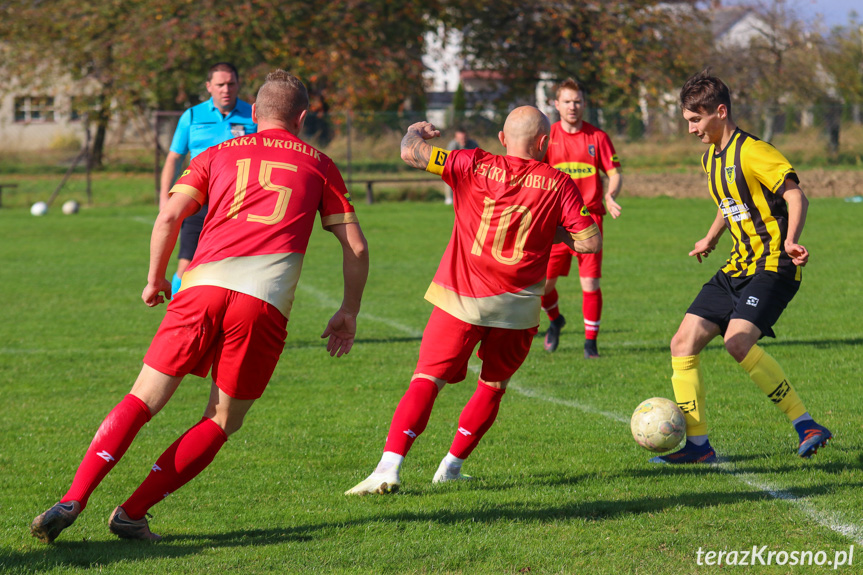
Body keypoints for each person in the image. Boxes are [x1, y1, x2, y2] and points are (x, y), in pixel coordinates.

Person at [30, 70, 369, 542]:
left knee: (143, 398)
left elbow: (169, 215)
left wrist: (154, 280)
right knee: (222, 417)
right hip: (262, 303)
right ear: (303, 117)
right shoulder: (320, 164)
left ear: (253, 113)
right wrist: (348, 311)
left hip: (199, 287)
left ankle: (74, 496)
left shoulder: (216, 153)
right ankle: (131, 512)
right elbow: (354, 246)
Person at [346, 107, 601, 495]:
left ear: (502, 139)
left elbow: (410, 150)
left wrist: (415, 130)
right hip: (518, 308)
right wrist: (544, 235)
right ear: (545, 143)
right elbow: (590, 240)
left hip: (461, 297)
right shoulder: (559, 183)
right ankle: (451, 466)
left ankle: (388, 467)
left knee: (427, 380)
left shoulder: (471, 162)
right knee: (492, 386)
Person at [651, 69, 831, 464]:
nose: (691, 129)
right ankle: (698, 447)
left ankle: (807, 425)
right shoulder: (710, 159)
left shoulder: (754, 151)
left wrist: (791, 239)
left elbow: (795, 195)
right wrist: (711, 236)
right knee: (682, 343)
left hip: (774, 265)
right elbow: (729, 200)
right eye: (687, 121)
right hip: (737, 267)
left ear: (719, 111)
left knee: (737, 341)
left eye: (695, 120)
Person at [159, 62, 257, 297]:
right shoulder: (192, 116)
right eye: (220, 84)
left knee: (236, 267)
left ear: (238, 85)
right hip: (198, 203)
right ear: (209, 87)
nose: (226, 89)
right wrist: (165, 199)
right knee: (187, 265)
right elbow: (174, 159)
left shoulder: (253, 115)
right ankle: (179, 321)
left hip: (238, 204)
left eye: (231, 84)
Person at [541, 78, 622, 358]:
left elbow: (614, 173)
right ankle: (555, 321)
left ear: (584, 104)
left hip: (589, 220)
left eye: (577, 101)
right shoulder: (547, 137)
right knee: (542, 285)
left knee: (590, 283)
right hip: (555, 223)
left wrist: (610, 195)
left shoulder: (597, 138)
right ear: (556, 104)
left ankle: (591, 345)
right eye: (567, 101)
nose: (572, 106)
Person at [442, 127, 478, 205]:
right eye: (461, 138)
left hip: (469, 168)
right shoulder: (452, 145)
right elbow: (448, 160)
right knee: (448, 175)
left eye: (465, 138)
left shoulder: (473, 144)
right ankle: (449, 198)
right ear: (456, 138)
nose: (463, 140)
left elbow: (479, 158)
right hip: (455, 167)